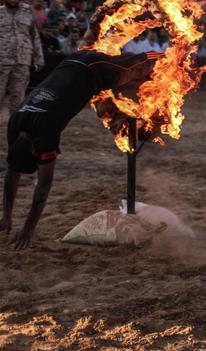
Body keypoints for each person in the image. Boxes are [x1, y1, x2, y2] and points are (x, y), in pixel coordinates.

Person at [2, 50, 161, 250]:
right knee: (132, 70)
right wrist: (6, 217)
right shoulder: (16, 123)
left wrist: (28, 231)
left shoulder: (45, 130)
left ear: (35, 150)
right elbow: (12, 172)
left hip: (94, 69)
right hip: (69, 63)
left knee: (135, 66)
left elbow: (43, 186)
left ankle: (169, 53)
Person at [0, 0, 44, 120]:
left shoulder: (27, 13)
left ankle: (15, 126)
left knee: (18, 97)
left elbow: (34, 36)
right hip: (1, 60)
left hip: (22, 61)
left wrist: (39, 59)